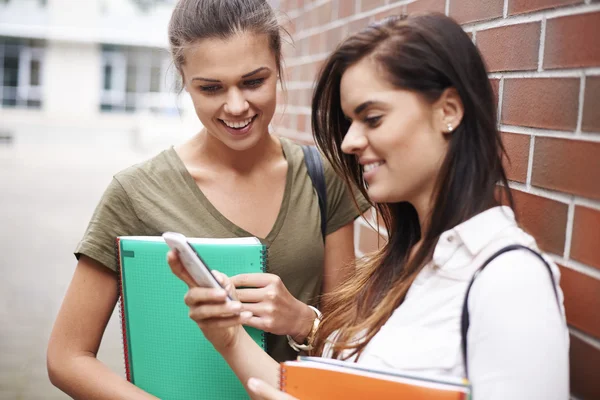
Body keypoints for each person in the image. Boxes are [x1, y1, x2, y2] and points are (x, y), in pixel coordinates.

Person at [168, 13, 570, 400]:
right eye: (349, 122)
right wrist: (228, 337)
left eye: (372, 118)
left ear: (448, 111)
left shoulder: (511, 283)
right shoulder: (397, 266)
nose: (349, 142)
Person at [46, 0, 369, 398]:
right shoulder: (135, 192)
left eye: (253, 81)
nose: (236, 106)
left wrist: (303, 320)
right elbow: (67, 356)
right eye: (211, 88)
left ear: (279, 64)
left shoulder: (323, 176)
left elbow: (348, 339)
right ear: (184, 78)